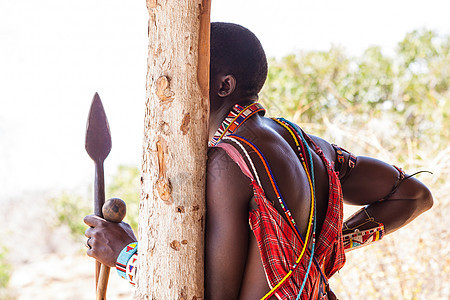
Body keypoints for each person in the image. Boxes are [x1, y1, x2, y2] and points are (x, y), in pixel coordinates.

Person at [84, 22, 433, 299]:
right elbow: (413, 195)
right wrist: (327, 245)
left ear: (224, 86)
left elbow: (205, 297)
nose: (167, 88)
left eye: (183, 72)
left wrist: (125, 255)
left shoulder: (227, 163)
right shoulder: (309, 146)